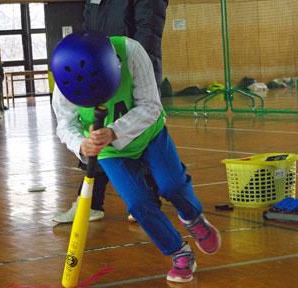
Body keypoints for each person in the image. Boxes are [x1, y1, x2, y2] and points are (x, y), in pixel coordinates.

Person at [52, 31, 221, 283]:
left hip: (148, 135)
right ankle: (179, 252)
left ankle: (193, 218)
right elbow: (65, 126)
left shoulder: (131, 52)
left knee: (172, 185)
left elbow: (151, 106)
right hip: (110, 152)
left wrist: (113, 131)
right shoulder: (65, 82)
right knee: (139, 203)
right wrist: (82, 144)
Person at [53, 0, 168, 223]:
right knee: (95, 138)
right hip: (98, 72)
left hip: (126, 72)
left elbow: (148, 34)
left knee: (136, 138)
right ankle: (91, 202)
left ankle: (148, 198)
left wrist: (132, 71)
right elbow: (88, 30)